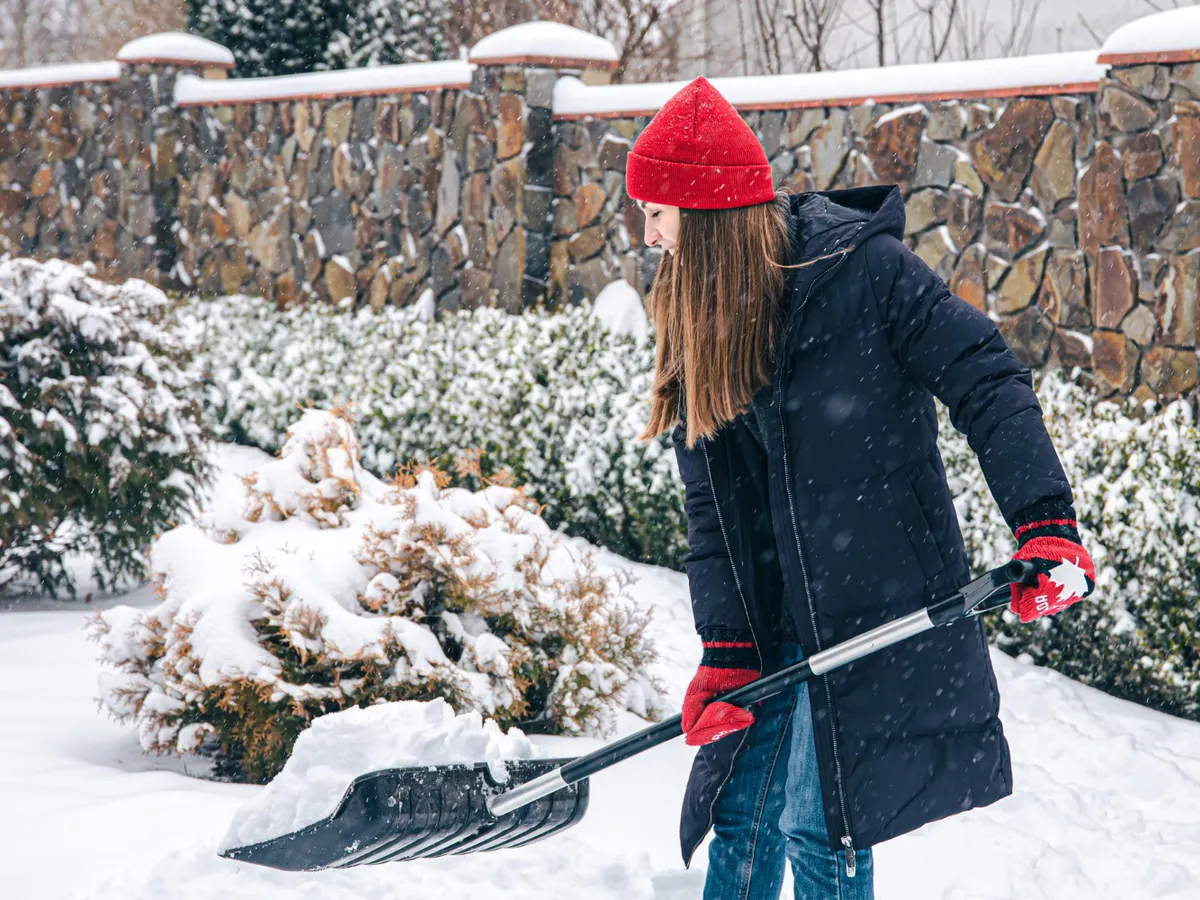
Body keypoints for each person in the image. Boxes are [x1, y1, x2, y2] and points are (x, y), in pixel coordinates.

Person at [628, 76, 1096, 900]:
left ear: (702, 221)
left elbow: (985, 375)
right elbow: (717, 514)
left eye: (657, 213)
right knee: (739, 817)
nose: (647, 234)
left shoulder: (866, 274)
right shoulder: (695, 313)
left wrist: (1044, 522)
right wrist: (728, 649)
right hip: (775, 619)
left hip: (872, 603)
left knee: (821, 826)